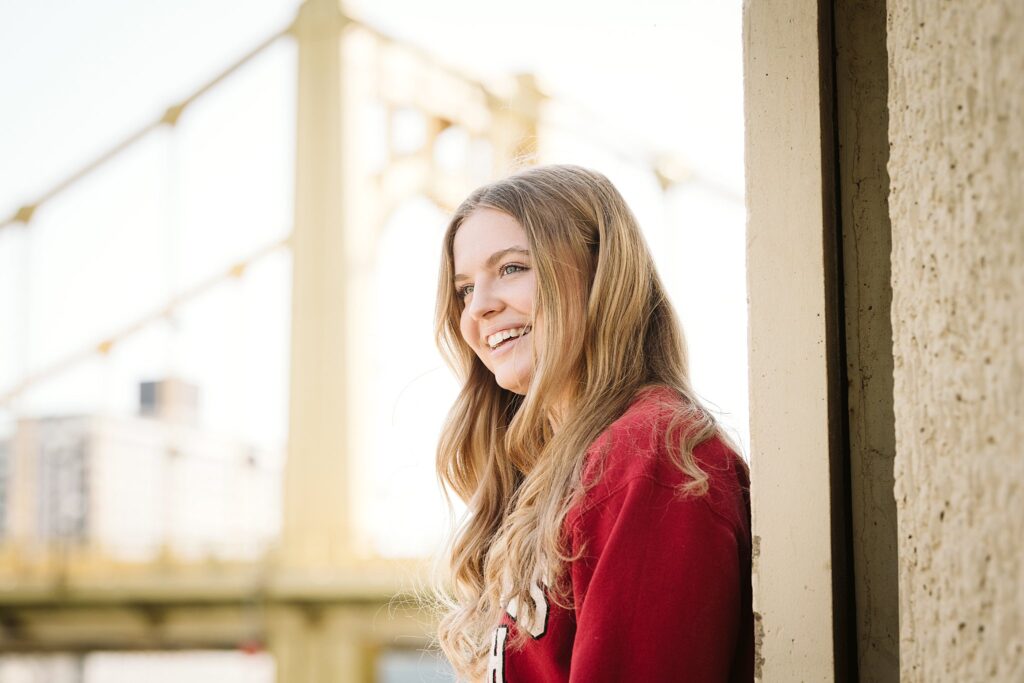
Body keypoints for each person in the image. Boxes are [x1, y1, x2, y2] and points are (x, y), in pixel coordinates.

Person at [432, 164, 753, 682]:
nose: (480, 309)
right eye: (465, 289)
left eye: (512, 268)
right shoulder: (557, 473)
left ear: (601, 273)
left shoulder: (651, 456)